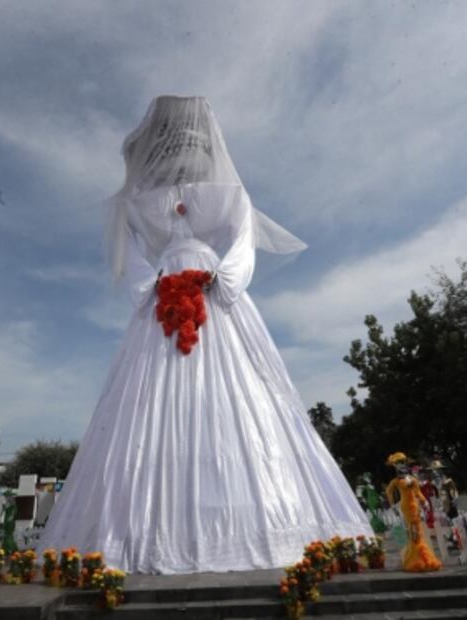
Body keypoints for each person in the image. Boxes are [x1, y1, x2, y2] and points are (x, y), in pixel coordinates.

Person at [39, 96, 372, 574]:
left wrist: (227, 280)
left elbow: (242, 238)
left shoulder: (227, 194)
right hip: (164, 291)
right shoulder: (141, 205)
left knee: (238, 403)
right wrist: (151, 283)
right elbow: (133, 250)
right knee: (151, 404)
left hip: (211, 290)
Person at [385, 453, 441, 573]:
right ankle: (416, 559)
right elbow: (388, 492)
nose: (401, 465)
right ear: (395, 466)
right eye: (398, 463)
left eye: (403, 462)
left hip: (415, 506)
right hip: (406, 507)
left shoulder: (413, 479)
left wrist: (424, 501)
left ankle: (419, 558)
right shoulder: (396, 481)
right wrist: (392, 506)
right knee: (414, 532)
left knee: (417, 532)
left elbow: (418, 492)